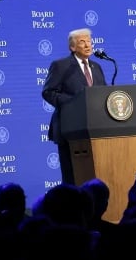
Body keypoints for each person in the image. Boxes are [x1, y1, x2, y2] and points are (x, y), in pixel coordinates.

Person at [42, 28, 107, 184]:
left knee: (96, 176)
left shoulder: (97, 67)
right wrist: (74, 103)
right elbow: (48, 92)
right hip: (69, 129)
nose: (88, 45)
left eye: (89, 41)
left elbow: (103, 93)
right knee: (73, 178)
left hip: (95, 130)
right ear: (72, 47)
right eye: (82, 42)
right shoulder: (61, 65)